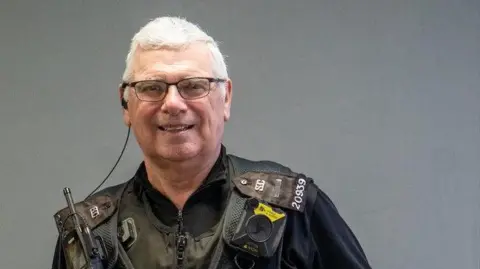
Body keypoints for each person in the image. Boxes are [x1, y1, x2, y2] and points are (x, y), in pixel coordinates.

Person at [51, 16, 372, 269]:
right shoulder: (88, 234)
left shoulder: (292, 211)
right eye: (152, 87)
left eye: (193, 86)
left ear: (226, 98)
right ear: (126, 104)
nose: (173, 103)